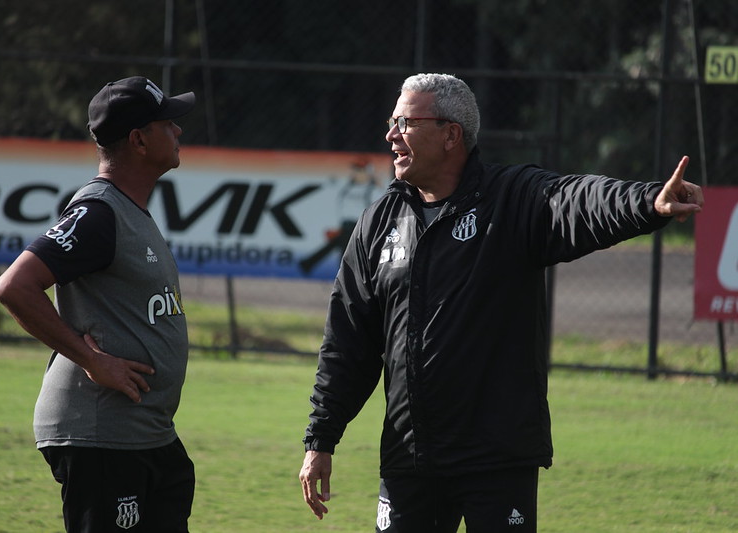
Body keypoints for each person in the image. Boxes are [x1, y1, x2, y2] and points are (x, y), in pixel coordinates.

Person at [298, 73, 703, 533]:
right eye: (392, 121)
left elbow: (578, 201)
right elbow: (347, 343)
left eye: (406, 123)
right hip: (411, 459)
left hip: (496, 459)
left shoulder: (512, 200)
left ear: (451, 135)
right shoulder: (379, 223)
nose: (391, 135)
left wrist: (646, 201)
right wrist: (320, 439)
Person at [0, 76, 196, 533]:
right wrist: (91, 360)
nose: (179, 131)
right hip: (101, 435)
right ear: (139, 140)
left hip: (145, 435)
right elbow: (14, 287)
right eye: (168, 123)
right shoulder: (98, 213)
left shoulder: (128, 210)